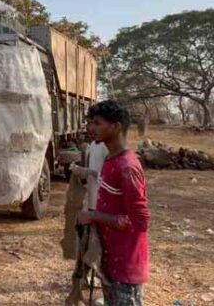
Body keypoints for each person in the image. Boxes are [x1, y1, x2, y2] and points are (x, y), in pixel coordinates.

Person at [76, 101, 150, 306]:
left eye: (97, 123)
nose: (91, 128)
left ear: (116, 126)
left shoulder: (126, 167)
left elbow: (140, 222)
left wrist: (93, 216)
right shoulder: (110, 160)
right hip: (111, 259)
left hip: (126, 265)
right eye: (91, 123)